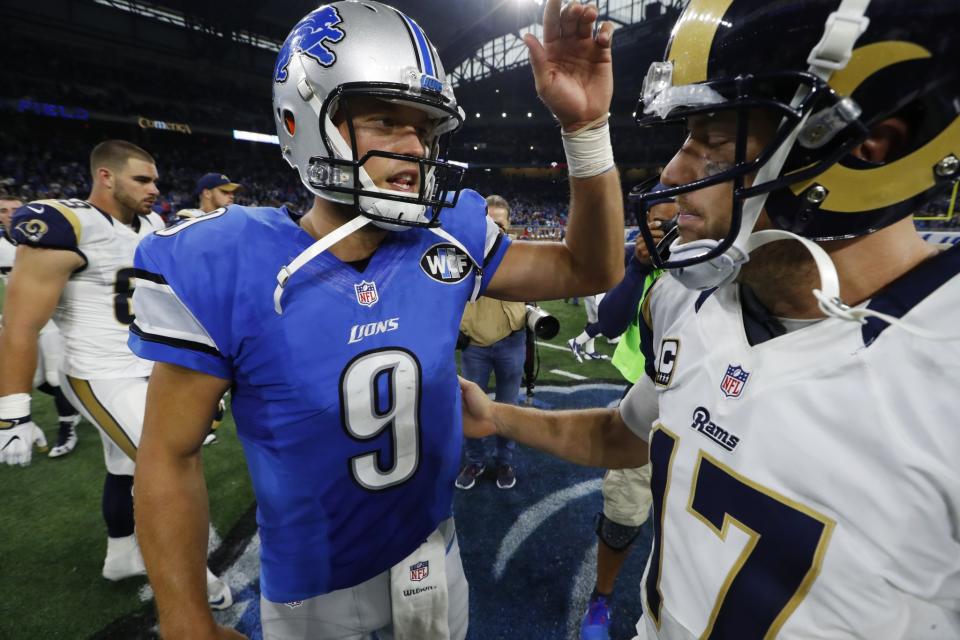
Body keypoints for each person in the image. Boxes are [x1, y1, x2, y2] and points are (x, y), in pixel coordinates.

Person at [460, 1, 960, 638]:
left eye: (713, 140)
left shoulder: (945, 364)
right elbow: (626, 433)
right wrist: (497, 416)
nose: (672, 171)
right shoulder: (685, 298)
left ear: (865, 149)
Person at [128, 1, 623, 639]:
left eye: (424, 129)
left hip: (434, 553)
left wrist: (585, 130)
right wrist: (186, 619)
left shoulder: (450, 234)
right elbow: (169, 455)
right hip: (313, 591)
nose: (415, 147)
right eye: (387, 121)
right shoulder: (229, 260)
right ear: (304, 121)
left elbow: (593, 266)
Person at [0, 141, 232, 608]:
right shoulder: (69, 225)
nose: (154, 189)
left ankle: (122, 554)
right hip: (98, 371)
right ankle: (197, 585)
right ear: (106, 176)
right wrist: (12, 413)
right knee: (171, 468)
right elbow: (21, 324)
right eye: (142, 180)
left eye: (155, 180)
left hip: (147, 365)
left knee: (124, 465)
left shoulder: (153, 224)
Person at [579, 189, 675, 640]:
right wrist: (639, 266)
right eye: (663, 223)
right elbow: (612, 322)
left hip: (714, 399)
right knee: (623, 508)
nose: (674, 231)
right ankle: (602, 596)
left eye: (683, 219)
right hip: (646, 391)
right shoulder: (645, 264)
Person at [0, 195, 83, 458]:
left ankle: (67, 427)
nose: (10, 214)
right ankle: (78, 403)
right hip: (19, 320)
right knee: (35, 380)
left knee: (54, 377)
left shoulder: (50, 237)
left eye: (16, 209)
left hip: (54, 318)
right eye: (4, 210)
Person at [455, 195, 526, 491]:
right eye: (488, 223)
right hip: (475, 346)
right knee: (472, 408)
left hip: (512, 341)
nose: (494, 229)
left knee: (509, 406)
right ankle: (475, 460)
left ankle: (504, 460)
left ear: (508, 225)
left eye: (500, 223)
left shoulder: (521, 255)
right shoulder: (460, 254)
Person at [176, 172, 242, 219]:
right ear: (207, 193)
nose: (232, 196)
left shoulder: (233, 219)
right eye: (225, 191)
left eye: (232, 192)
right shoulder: (190, 219)